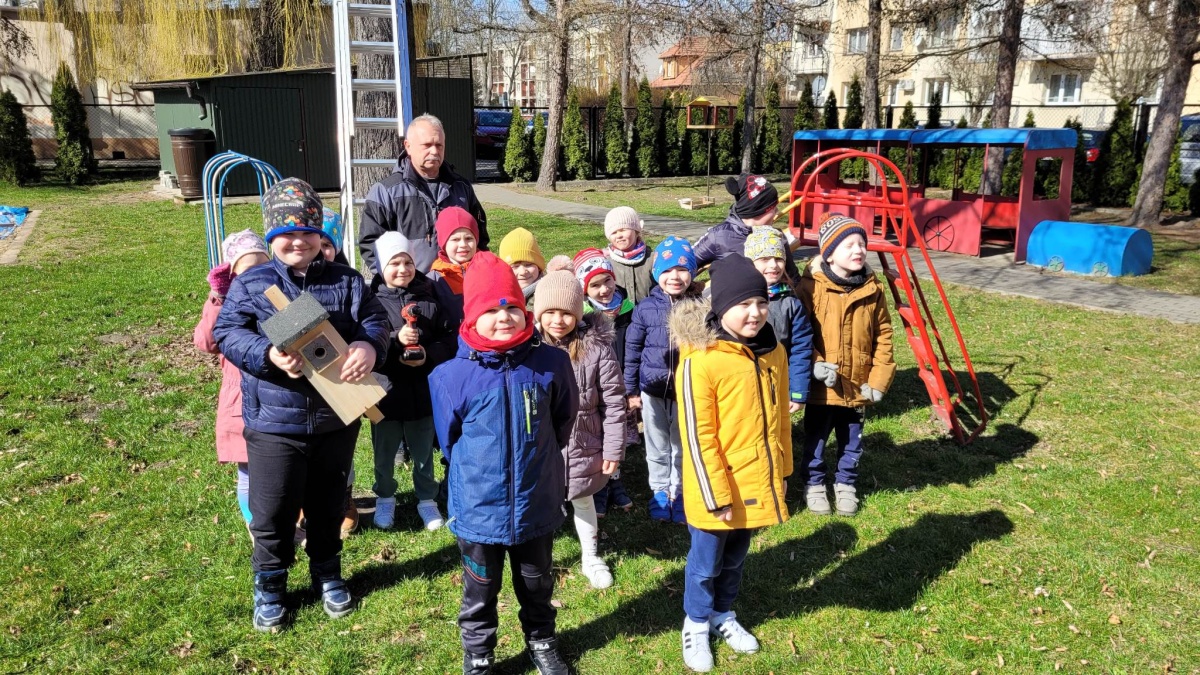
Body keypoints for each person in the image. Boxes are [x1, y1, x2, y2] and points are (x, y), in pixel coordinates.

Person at [213, 178, 390, 632]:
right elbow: (227, 332)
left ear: (320, 235)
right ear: (272, 236)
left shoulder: (347, 281)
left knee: (328, 505)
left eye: (308, 232)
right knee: (273, 510)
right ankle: (270, 584)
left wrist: (369, 346)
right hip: (274, 423)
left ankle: (327, 573)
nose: (298, 241)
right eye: (286, 233)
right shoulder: (253, 283)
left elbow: (374, 321)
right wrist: (267, 355)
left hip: (335, 419)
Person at [429, 252, 578, 675]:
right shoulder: (450, 376)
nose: (504, 318)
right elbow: (448, 441)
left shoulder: (551, 364)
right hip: (479, 508)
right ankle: (478, 653)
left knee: (537, 582)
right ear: (471, 317)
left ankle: (542, 640)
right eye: (491, 311)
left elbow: (563, 420)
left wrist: (538, 458)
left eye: (512, 307)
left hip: (536, 500)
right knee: (480, 588)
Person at [670, 253, 792, 673]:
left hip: (757, 479)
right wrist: (715, 495)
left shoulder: (773, 352)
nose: (755, 313)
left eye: (761, 302)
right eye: (743, 304)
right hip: (715, 487)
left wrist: (783, 471)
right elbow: (697, 437)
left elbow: (780, 419)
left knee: (736, 558)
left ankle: (723, 613)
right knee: (705, 564)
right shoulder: (700, 360)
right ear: (721, 308)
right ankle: (696, 623)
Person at [797, 214, 895, 517]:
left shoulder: (873, 289)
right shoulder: (810, 288)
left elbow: (884, 336)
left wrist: (879, 379)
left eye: (862, 244)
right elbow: (799, 334)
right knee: (816, 439)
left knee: (852, 441)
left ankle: (846, 484)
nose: (858, 250)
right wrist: (815, 363)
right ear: (829, 253)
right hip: (823, 388)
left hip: (858, 385)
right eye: (849, 245)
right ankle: (814, 483)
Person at [534, 271, 625, 589]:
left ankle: (591, 556)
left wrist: (613, 448)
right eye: (550, 312)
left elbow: (613, 402)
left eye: (566, 313)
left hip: (584, 441)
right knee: (541, 502)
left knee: (583, 499)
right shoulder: (529, 349)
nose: (558, 320)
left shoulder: (597, 349)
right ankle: (538, 561)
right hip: (541, 444)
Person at [370, 231, 459, 531]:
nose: (403, 269)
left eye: (407, 262)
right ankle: (385, 496)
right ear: (381, 267)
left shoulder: (429, 297)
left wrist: (428, 355)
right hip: (386, 393)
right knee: (384, 453)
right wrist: (396, 340)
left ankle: (426, 499)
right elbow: (367, 341)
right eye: (394, 263)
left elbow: (448, 339)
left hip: (422, 392)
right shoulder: (372, 302)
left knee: (423, 453)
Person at [193, 230, 269, 536]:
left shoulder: (278, 295)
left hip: (277, 399)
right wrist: (219, 298)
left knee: (279, 471)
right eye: (246, 269)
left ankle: (284, 524)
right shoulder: (227, 304)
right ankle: (256, 525)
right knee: (249, 471)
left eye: (262, 265)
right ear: (232, 274)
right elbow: (206, 341)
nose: (255, 275)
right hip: (240, 401)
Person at [624, 236, 700, 524]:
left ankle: (679, 492)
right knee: (657, 445)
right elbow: (632, 351)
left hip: (686, 392)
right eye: (667, 270)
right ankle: (659, 490)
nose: (675, 276)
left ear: (692, 272)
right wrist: (631, 390)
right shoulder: (645, 308)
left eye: (682, 269)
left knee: (681, 445)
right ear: (656, 273)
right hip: (652, 391)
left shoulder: (699, 307)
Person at [358, 114, 490, 274]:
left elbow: (480, 239)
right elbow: (371, 245)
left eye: (439, 145)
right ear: (408, 146)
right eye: (427, 145)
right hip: (410, 286)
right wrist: (398, 279)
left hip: (457, 285)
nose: (434, 151)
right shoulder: (386, 192)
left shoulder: (462, 188)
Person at [572, 247, 636, 517]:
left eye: (607, 281)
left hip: (623, 384)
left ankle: (615, 480)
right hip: (596, 387)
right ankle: (599, 487)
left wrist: (632, 385)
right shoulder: (584, 318)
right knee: (598, 438)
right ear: (585, 290)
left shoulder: (629, 310)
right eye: (595, 285)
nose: (604, 289)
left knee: (618, 435)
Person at [743, 226, 814, 412]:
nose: (773, 265)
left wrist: (798, 392)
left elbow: (801, 348)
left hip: (777, 381)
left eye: (779, 259)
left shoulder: (790, 302)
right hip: (743, 383)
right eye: (765, 259)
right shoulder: (737, 301)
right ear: (750, 262)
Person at [693, 174, 800, 280]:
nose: (777, 211)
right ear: (758, 210)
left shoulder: (776, 236)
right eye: (773, 207)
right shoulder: (720, 236)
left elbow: (793, 277)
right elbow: (686, 261)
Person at [602, 206, 656, 302]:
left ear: (636, 231)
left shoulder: (652, 259)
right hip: (617, 311)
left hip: (649, 310)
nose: (619, 235)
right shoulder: (604, 261)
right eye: (614, 232)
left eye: (623, 230)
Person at [429, 206, 480, 302]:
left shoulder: (489, 268)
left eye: (468, 238)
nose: (463, 244)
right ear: (444, 243)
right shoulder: (434, 280)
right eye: (455, 239)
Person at [498, 226, 546, 309]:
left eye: (529, 264)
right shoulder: (498, 296)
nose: (523, 272)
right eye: (515, 266)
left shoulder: (547, 294)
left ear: (539, 267)